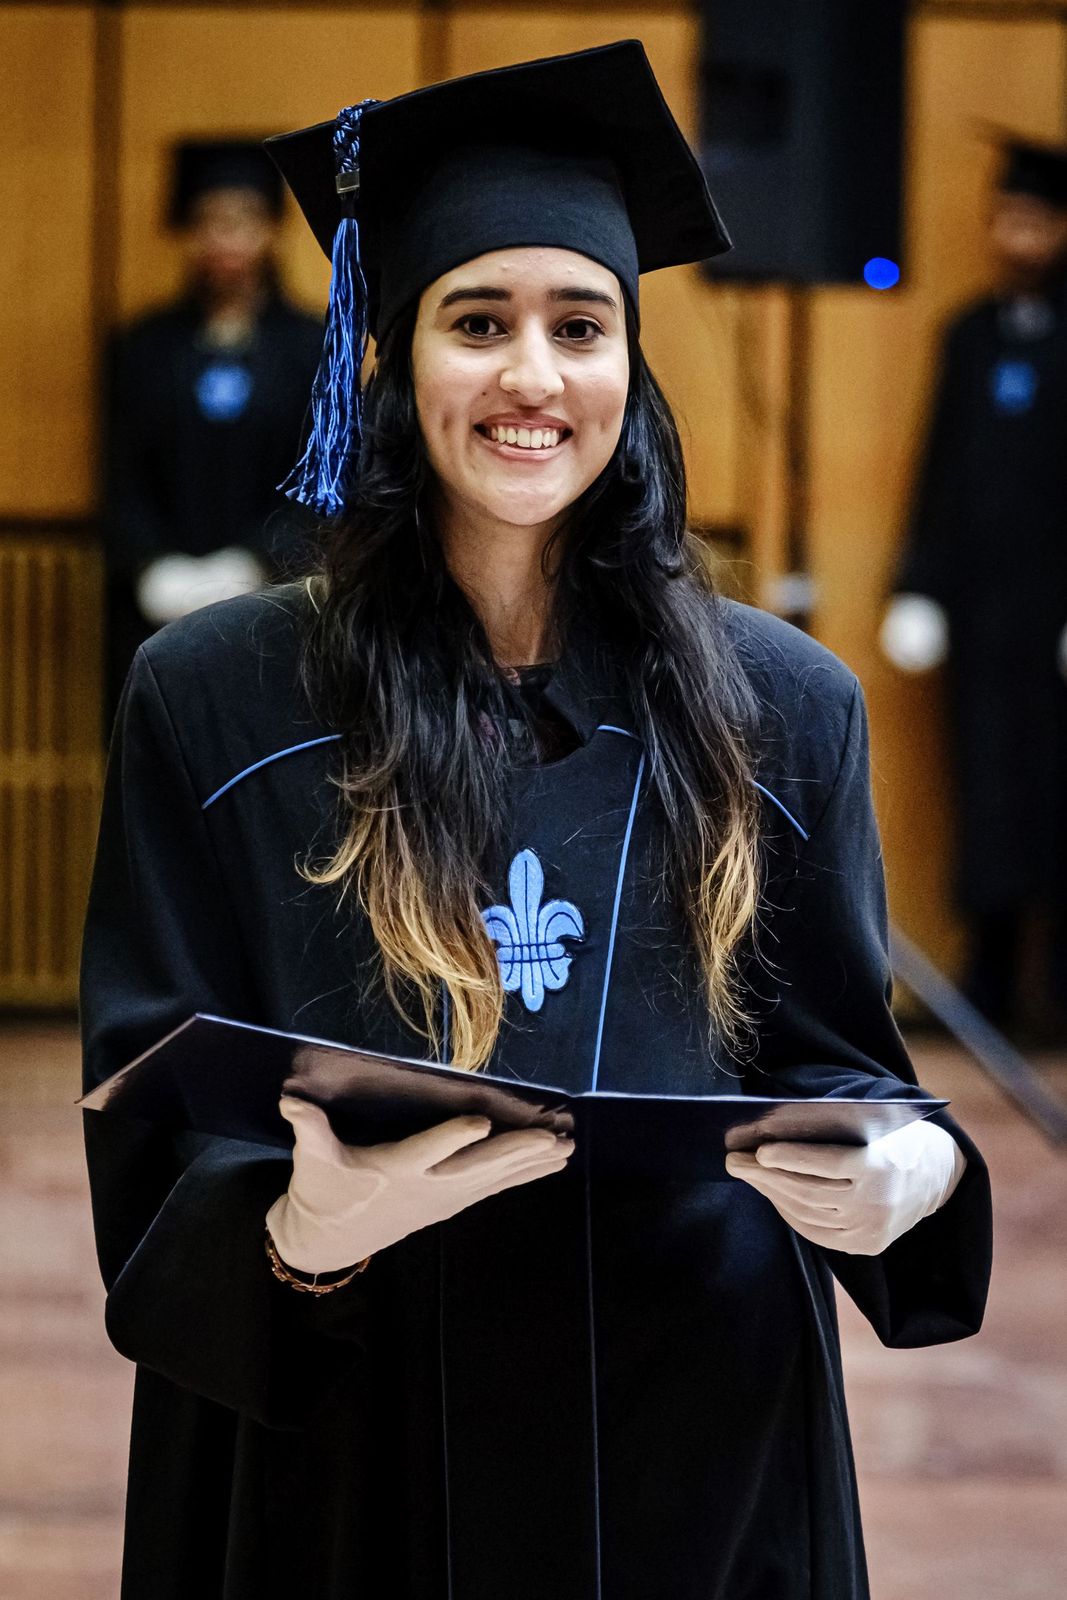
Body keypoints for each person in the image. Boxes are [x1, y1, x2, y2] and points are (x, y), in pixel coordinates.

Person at [81, 42, 992, 1600]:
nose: (531, 375)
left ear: (629, 364)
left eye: (579, 325)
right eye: (475, 321)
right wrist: (299, 1227)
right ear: (391, 359)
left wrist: (911, 1170)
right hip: (348, 1424)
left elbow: (839, 1062)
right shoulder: (216, 697)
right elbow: (152, 1105)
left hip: (689, 1420)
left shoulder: (779, 705)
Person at [882, 131, 1067, 1032]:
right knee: (986, 789)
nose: (1014, 236)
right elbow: (938, 468)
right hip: (984, 613)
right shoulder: (967, 335)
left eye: (1032, 219)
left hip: (1055, 610)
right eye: (1005, 217)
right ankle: (987, 982)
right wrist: (916, 584)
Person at [101, 138, 323, 725]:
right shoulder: (143, 346)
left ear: (271, 230)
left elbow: (325, 476)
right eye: (208, 221)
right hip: (154, 613)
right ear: (189, 233)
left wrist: (255, 563)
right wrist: (152, 567)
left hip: (277, 605)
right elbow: (121, 475)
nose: (225, 238)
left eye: (242, 219)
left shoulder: (315, 350)